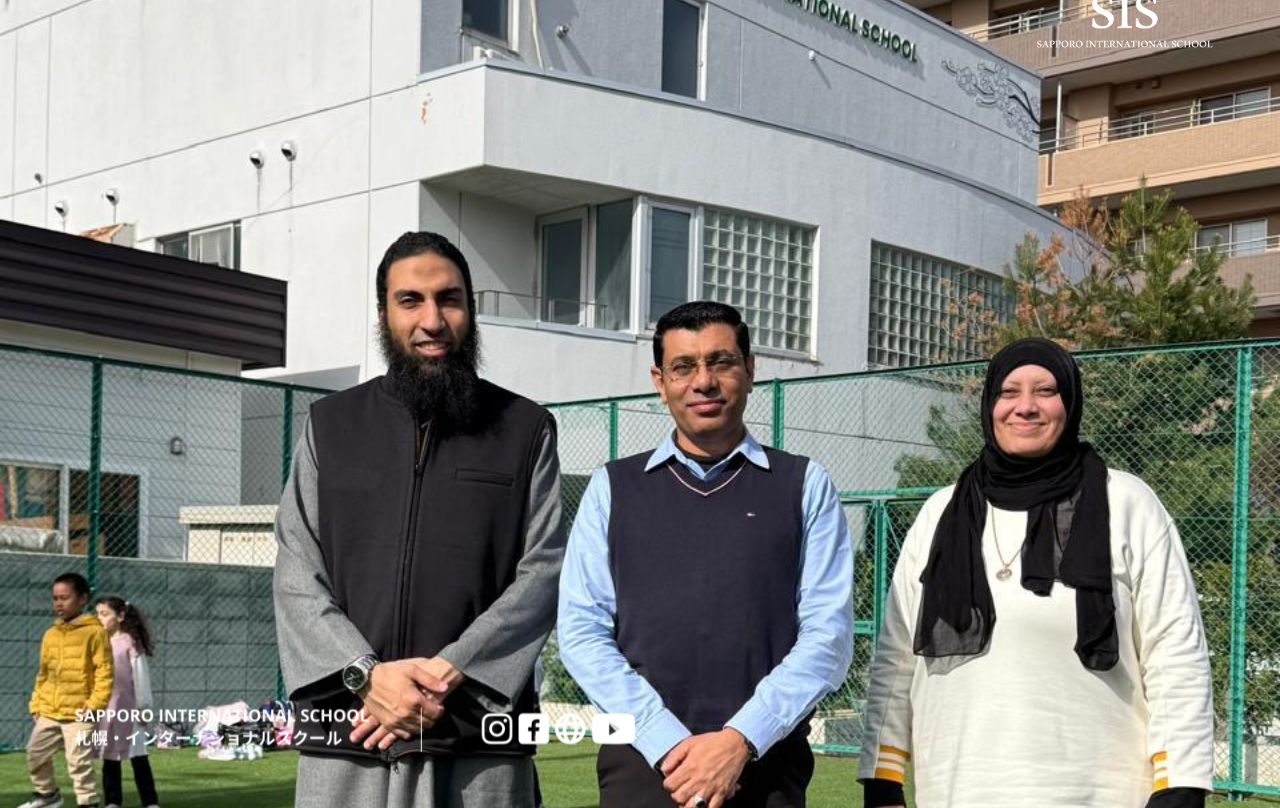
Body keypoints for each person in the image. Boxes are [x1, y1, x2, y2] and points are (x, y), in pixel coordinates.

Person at [273, 231, 565, 808]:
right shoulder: (329, 425)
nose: (432, 320)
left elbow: (545, 572)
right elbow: (296, 570)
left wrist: (452, 671)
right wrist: (365, 675)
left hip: (477, 741)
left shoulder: (526, 428)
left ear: (470, 309)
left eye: (448, 299)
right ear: (383, 312)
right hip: (351, 734)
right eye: (410, 300)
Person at [857, 337, 1214, 808]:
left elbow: (1176, 653)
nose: (1025, 407)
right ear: (990, 405)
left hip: (1097, 794)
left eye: (1045, 391)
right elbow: (897, 655)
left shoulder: (1128, 504)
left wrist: (1180, 785)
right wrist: (882, 778)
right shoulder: (940, 513)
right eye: (1009, 392)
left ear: (1070, 403)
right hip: (957, 790)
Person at [558, 301, 854, 808]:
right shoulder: (612, 487)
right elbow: (581, 632)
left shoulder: (804, 484)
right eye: (683, 366)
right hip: (643, 769)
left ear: (750, 370)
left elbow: (828, 636)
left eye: (721, 362)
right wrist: (666, 741)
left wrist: (740, 740)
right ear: (660, 381)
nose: (703, 382)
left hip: (766, 772)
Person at [18, 572, 112, 808]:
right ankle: (47, 795)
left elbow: (104, 672)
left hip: (81, 712)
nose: (59, 603)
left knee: (78, 761)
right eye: (55, 598)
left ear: (82, 599)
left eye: (65, 598)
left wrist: (94, 705)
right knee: (35, 753)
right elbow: (43, 674)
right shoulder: (50, 634)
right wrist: (36, 704)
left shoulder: (95, 632)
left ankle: (88, 802)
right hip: (49, 710)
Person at [92, 597, 161, 808]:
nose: (99, 618)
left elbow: (141, 677)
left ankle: (150, 802)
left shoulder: (130, 643)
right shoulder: (97, 642)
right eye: (97, 614)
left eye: (105, 614)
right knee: (109, 756)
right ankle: (113, 801)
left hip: (130, 711)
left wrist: (143, 708)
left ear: (120, 616)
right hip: (106, 710)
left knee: (138, 756)